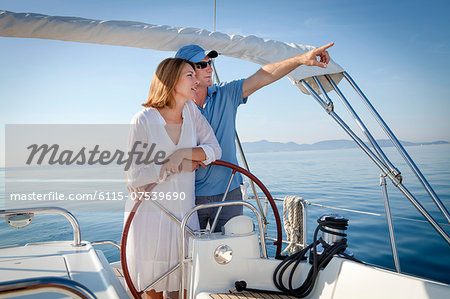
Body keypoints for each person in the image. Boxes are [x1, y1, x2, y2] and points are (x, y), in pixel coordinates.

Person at [175, 42, 334, 232]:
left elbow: (264, 75)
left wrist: (300, 60)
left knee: (232, 250)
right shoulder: (174, 107)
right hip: (190, 193)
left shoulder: (226, 93)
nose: (209, 68)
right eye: (202, 65)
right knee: (188, 252)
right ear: (184, 70)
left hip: (229, 193)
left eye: (210, 63)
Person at [125, 58, 221, 299]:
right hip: (151, 218)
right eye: (190, 75)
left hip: (184, 215)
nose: (197, 80)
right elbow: (134, 175)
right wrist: (178, 164)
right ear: (171, 80)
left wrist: (181, 154)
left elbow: (214, 150)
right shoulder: (144, 120)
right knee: (154, 287)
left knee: (187, 284)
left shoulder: (192, 113)